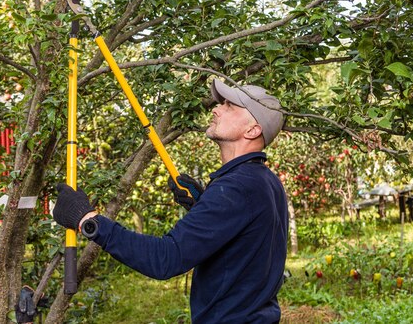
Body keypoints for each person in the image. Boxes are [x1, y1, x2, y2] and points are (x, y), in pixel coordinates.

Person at [53, 78, 288, 323]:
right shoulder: (264, 181)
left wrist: (88, 220)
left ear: (252, 130)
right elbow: (244, 245)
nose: (216, 109)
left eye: (229, 106)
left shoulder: (236, 188)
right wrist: (202, 205)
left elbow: (166, 259)